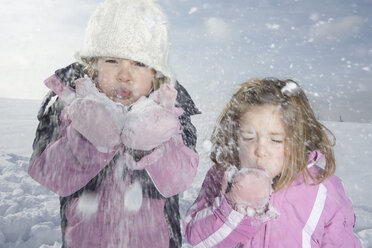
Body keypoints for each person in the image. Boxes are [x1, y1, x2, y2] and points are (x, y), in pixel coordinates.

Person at [28, 0, 200, 247]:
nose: (124, 74)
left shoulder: (171, 111)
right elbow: (47, 172)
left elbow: (182, 176)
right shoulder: (71, 103)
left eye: (139, 63)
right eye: (112, 61)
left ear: (156, 75)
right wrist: (88, 142)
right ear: (93, 65)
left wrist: (149, 147)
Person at [183, 78, 362, 247]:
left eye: (276, 140)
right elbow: (197, 238)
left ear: (298, 141)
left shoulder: (323, 189)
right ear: (234, 137)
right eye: (248, 137)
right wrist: (235, 208)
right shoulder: (222, 176)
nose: (260, 151)